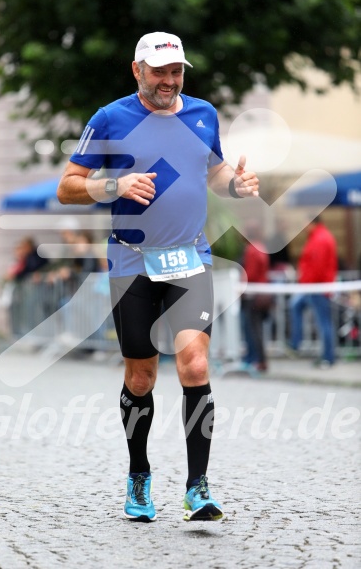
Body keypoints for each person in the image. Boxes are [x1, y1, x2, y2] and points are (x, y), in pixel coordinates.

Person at [57, 32, 259, 522]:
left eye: (176, 72)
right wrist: (114, 184)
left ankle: (197, 487)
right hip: (131, 261)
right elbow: (68, 187)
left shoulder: (203, 114)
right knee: (141, 376)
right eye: (159, 72)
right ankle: (139, 475)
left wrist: (234, 183)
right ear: (137, 71)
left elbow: (209, 170)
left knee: (194, 365)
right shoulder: (110, 118)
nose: (169, 81)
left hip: (191, 257)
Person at [288, 216, 338, 368]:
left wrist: (305, 283)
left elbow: (317, 267)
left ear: (311, 222)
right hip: (314, 286)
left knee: (324, 323)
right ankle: (296, 343)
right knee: (296, 306)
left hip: (317, 287)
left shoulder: (320, 239)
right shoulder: (318, 237)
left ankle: (328, 357)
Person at [240, 221, 271, 373]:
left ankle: (257, 359)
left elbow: (250, 274)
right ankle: (259, 359)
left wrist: (240, 285)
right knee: (257, 329)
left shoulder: (251, 249)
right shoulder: (261, 246)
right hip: (262, 293)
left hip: (252, 295)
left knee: (253, 329)